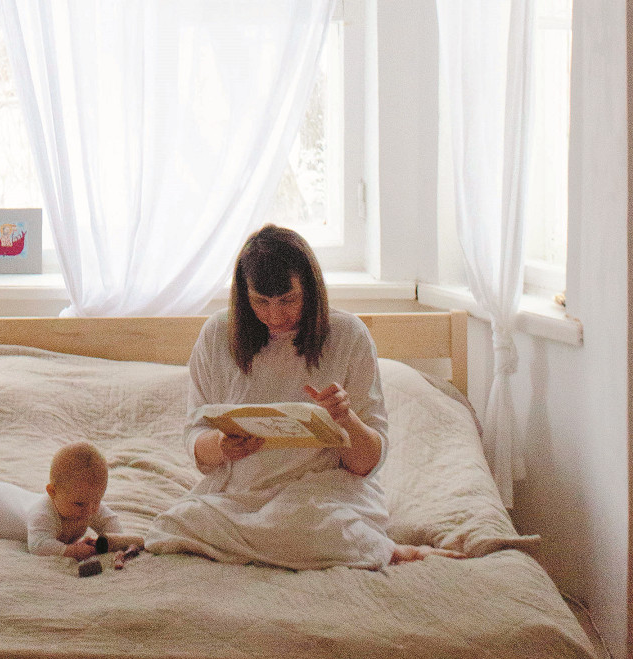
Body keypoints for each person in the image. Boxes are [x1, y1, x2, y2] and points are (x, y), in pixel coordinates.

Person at [144, 224, 466, 571]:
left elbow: (367, 464)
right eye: (260, 302)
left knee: (308, 522)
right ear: (243, 295)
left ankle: (392, 551)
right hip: (239, 496)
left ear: (310, 291)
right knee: (171, 527)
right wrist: (221, 445)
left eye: (288, 300)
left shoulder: (349, 336)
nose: (275, 315)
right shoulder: (216, 335)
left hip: (321, 497)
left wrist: (345, 419)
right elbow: (195, 434)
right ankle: (296, 544)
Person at [0, 440, 144, 560]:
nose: (90, 510)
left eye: (97, 500)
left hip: (4, 494)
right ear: (52, 492)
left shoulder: (87, 501)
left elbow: (109, 522)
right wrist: (70, 551)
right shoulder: (43, 514)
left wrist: (117, 541)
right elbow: (39, 545)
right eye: (80, 504)